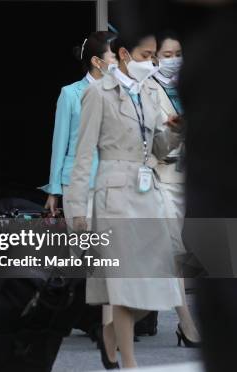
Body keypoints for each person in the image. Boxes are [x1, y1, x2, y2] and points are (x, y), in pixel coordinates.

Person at [65, 34, 183, 369]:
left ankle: (110, 336)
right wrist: (76, 209)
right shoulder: (97, 94)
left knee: (156, 281)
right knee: (125, 284)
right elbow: (83, 155)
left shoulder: (148, 92)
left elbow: (158, 148)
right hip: (114, 196)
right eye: (146, 55)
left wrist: (176, 131)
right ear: (124, 54)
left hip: (148, 194)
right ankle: (129, 363)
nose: (153, 62)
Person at [41, 30, 117, 342]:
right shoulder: (70, 94)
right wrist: (54, 191)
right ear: (97, 61)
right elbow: (59, 144)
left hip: (110, 184)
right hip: (77, 184)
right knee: (84, 256)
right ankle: (87, 320)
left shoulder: (119, 92)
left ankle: (107, 322)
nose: (118, 60)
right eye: (113, 55)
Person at [150, 31, 201, 347]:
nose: (173, 60)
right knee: (176, 254)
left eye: (177, 53)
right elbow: (153, 144)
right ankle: (187, 324)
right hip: (165, 180)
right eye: (166, 55)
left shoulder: (194, 86)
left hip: (197, 181)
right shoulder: (147, 89)